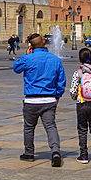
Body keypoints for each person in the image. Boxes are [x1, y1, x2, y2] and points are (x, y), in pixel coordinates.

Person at [13, 33, 66, 166]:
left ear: (31, 46)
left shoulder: (28, 58)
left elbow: (16, 68)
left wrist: (25, 54)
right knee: (50, 126)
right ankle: (55, 151)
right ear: (43, 42)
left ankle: (29, 153)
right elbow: (61, 81)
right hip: (49, 99)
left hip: (31, 100)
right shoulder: (55, 59)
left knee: (29, 127)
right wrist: (57, 96)